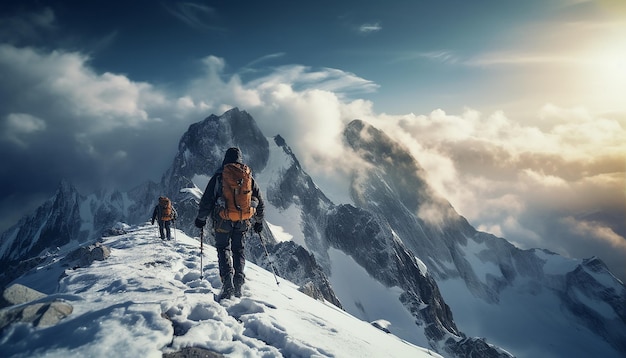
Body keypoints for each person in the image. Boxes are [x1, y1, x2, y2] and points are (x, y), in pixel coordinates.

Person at [194, 147, 265, 299]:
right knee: (238, 250)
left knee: (223, 248)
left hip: (222, 220)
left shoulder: (219, 176)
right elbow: (260, 201)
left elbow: (207, 200)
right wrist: (259, 222)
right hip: (242, 221)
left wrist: (201, 219)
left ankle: (227, 283)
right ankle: (238, 281)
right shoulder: (247, 177)